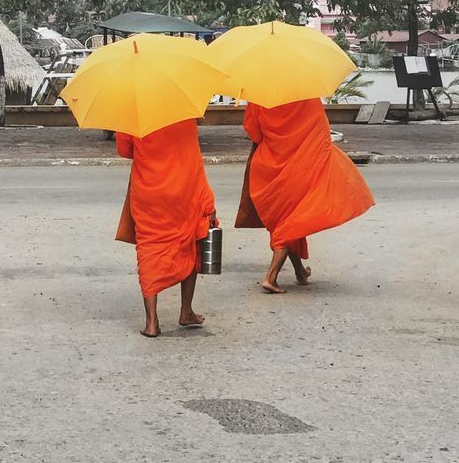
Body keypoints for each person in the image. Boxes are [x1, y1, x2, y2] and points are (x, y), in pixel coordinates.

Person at [236, 98, 375, 294]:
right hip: (300, 165)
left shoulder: (259, 96)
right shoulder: (306, 96)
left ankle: (300, 272)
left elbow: (254, 132)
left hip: (268, 166)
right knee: (291, 221)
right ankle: (271, 277)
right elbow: (321, 130)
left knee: (285, 218)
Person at [115, 119, 218, 338]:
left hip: (148, 190)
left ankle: (151, 322)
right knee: (190, 240)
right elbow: (193, 156)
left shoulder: (134, 113)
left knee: (149, 247)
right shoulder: (183, 113)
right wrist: (207, 201)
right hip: (185, 188)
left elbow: (125, 150)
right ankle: (186, 310)